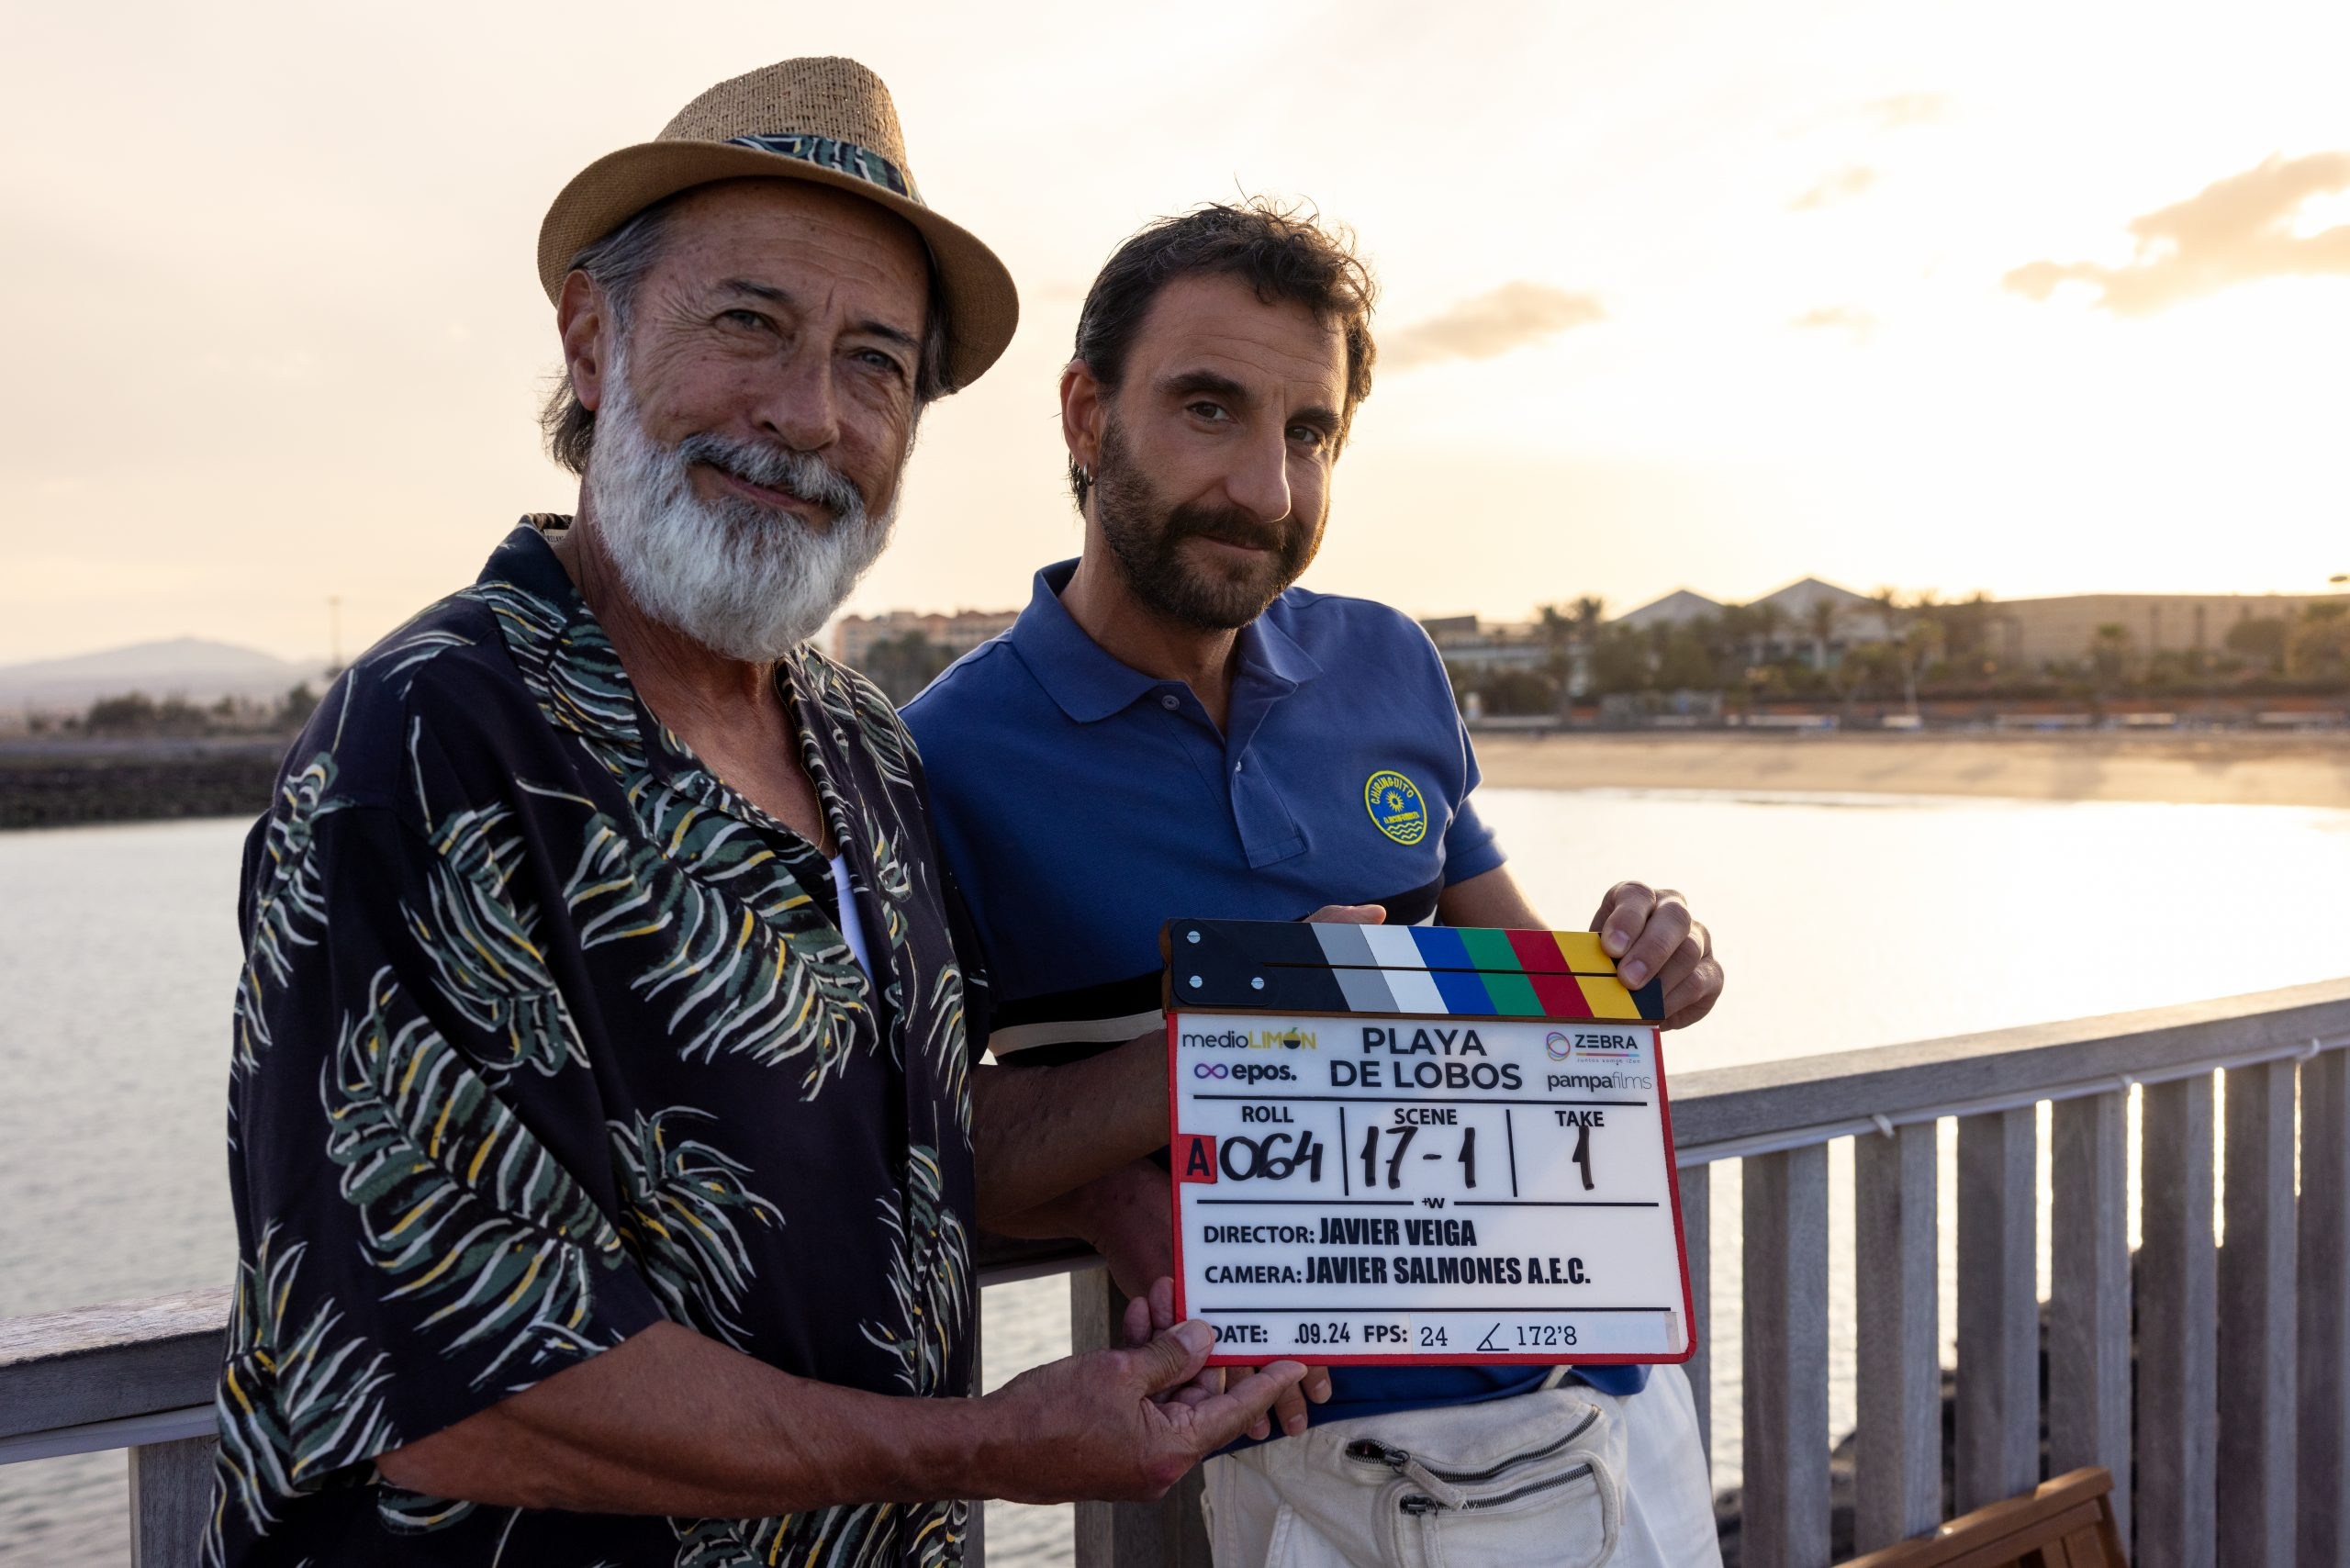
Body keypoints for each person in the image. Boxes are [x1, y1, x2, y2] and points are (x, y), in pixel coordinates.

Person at [207, 60, 1304, 1567]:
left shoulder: (864, 748)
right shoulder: (431, 737)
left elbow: (908, 1140)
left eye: (875, 365)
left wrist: (1120, 1198)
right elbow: (448, 1374)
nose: (807, 415)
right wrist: (993, 1447)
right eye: (749, 325)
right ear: (593, 341)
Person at [904, 200, 1728, 1565]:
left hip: (1616, 1406)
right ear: (1085, 415)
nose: (1268, 493)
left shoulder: (1389, 661)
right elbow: (915, 1139)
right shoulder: (941, 758)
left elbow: (1530, 999)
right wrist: (1207, 1078)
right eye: (1209, 410)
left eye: (1310, 434)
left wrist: (1644, 957)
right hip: (1319, 1461)